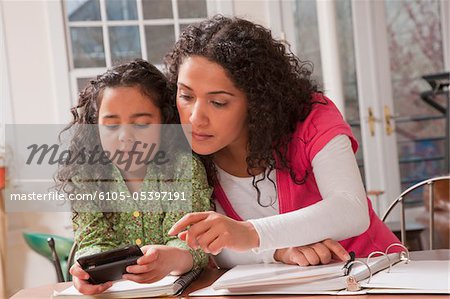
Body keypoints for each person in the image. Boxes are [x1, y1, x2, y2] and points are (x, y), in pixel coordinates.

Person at [165, 15, 401, 269]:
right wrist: (277, 250)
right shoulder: (186, 156)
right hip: (289, 288)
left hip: (376, 273)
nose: (195, 118)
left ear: (256, 101)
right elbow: (216, 246)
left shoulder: (311, 116)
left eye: (218, 102)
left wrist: (251, 233)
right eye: (186, 95)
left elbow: (351, 209)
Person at [57, 59, 212, 295]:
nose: (125, 137)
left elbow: (193, 243)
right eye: (110, 126)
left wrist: (170, 258)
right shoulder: (87, 175)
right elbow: (91, 240)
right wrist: (87, 269)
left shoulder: (184, 168)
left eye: (141, 124)